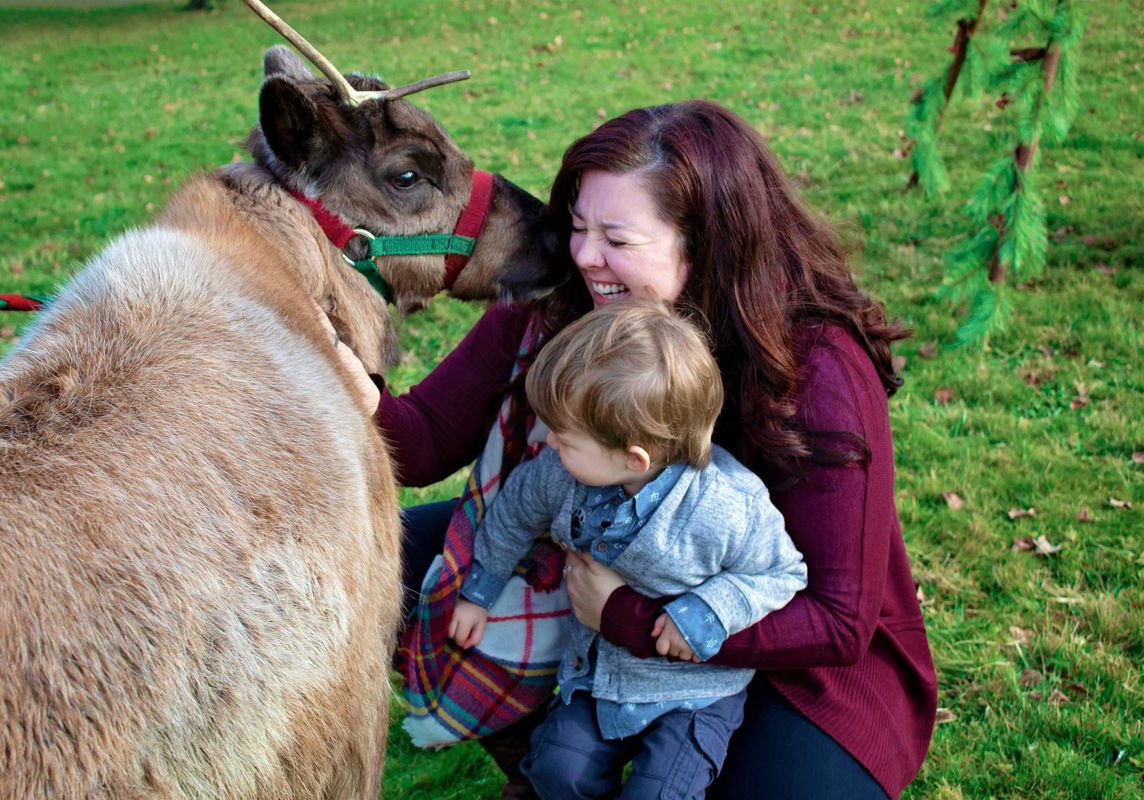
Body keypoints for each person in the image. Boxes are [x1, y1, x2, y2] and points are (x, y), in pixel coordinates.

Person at [345, 100, 937, 799]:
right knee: (359, 562)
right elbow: (421, 441)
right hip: (600, 558)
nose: (585, 256)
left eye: (617, 239)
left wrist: (631, 618)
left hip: (791, 652)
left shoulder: (816, 367)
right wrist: (342, 369)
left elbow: (835, 620)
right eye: (578, 227)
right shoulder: (569, 302)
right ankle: (540, 749)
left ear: (705, 243)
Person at [447, 299, 807, 799]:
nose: (548, 441)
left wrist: (706, 611)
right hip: (598, 676)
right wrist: (479, 591)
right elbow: (514, 512)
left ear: (633, 458)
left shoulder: (725, 507)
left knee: (659, 792)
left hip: (694, 695)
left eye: (566, 439)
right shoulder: (560, 475)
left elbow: (782, 574)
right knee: (557, 772)